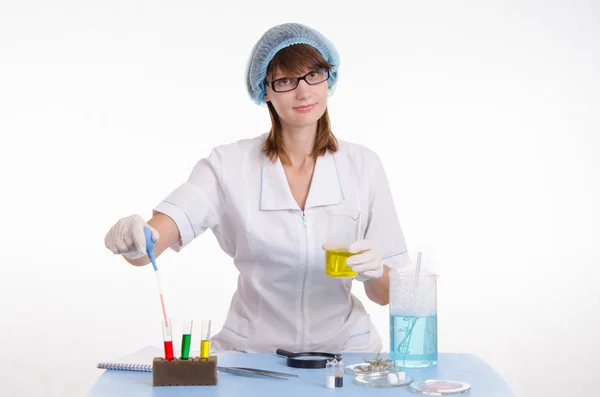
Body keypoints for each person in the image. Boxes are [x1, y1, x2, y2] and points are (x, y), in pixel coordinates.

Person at [104, 22, 409, 353]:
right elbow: (150, 245)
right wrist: (132, 240)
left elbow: (387, 294)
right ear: (264, 89)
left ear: (329, 78)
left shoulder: (363, 166)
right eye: (286, 80)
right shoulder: (228, 165)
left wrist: (375, 271)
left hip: (346, 354)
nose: (304, 91)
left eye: (314, 74)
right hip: (251, 358)